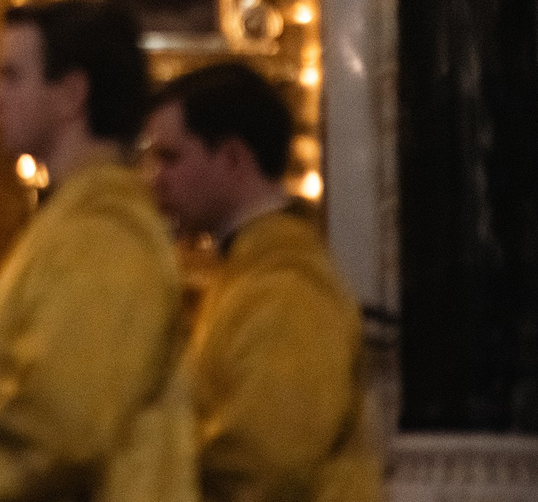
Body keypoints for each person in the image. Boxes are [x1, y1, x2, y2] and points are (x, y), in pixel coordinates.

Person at [0, 0, 192, 502]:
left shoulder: (103, 236)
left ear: (71, 95)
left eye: (12, 77)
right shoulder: (78, 223)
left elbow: (66, 420)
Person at [145, 63, 377, 502]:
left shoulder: (289, 286)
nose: (155, 179)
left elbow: (263, 462)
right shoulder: (248, 272)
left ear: (233, 157)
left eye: (170, 157)